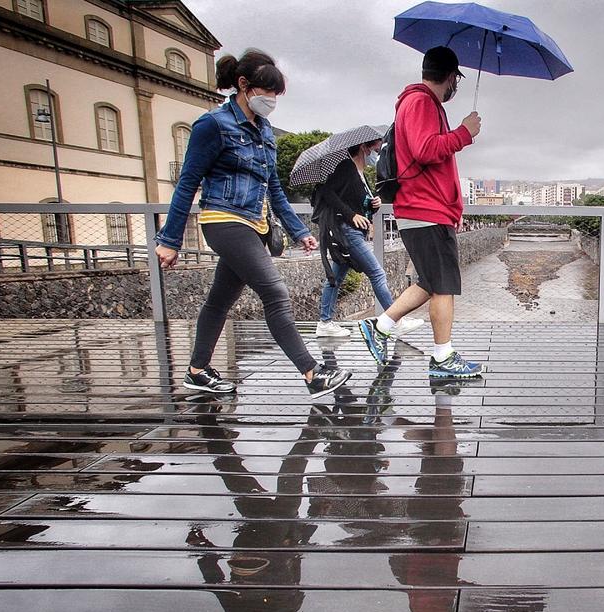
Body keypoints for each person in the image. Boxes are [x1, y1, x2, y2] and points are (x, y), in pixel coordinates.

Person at [154, 49, 350, 399]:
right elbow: (187, 182)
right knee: (275, 293)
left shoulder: (265, 132)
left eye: (276, 94)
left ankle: (197, 371)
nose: (272, 99)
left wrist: (299, 230)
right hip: (223, 220)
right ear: (243, 85)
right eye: (267, 91)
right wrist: (170, 239)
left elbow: (274, 188)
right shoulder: (212, 125)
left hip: (254, 224)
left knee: (219, 300)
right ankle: (311, 373)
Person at [359, 46, 484, 379]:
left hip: (425, 208)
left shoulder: (419, 103)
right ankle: (443, 358)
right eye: (456, 78)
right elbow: (425, 150)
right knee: (443, 286)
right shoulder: (421, 103)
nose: (456, 85)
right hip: (426, 208)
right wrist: (464, 133)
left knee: (430, 282)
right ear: (450, 76)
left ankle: (380, 326)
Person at [310, 133, 425, 339]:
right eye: (375, 148)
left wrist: (372, 206)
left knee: (335, 278)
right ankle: (394, 321)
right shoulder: (347, 167)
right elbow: (327, 192)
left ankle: (325, 322)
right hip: (347, 232)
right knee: (377, 273)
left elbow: (360, 207)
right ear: (364, 147)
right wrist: (350, 214)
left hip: (352, 233)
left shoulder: (361, 174)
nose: (377, 152)